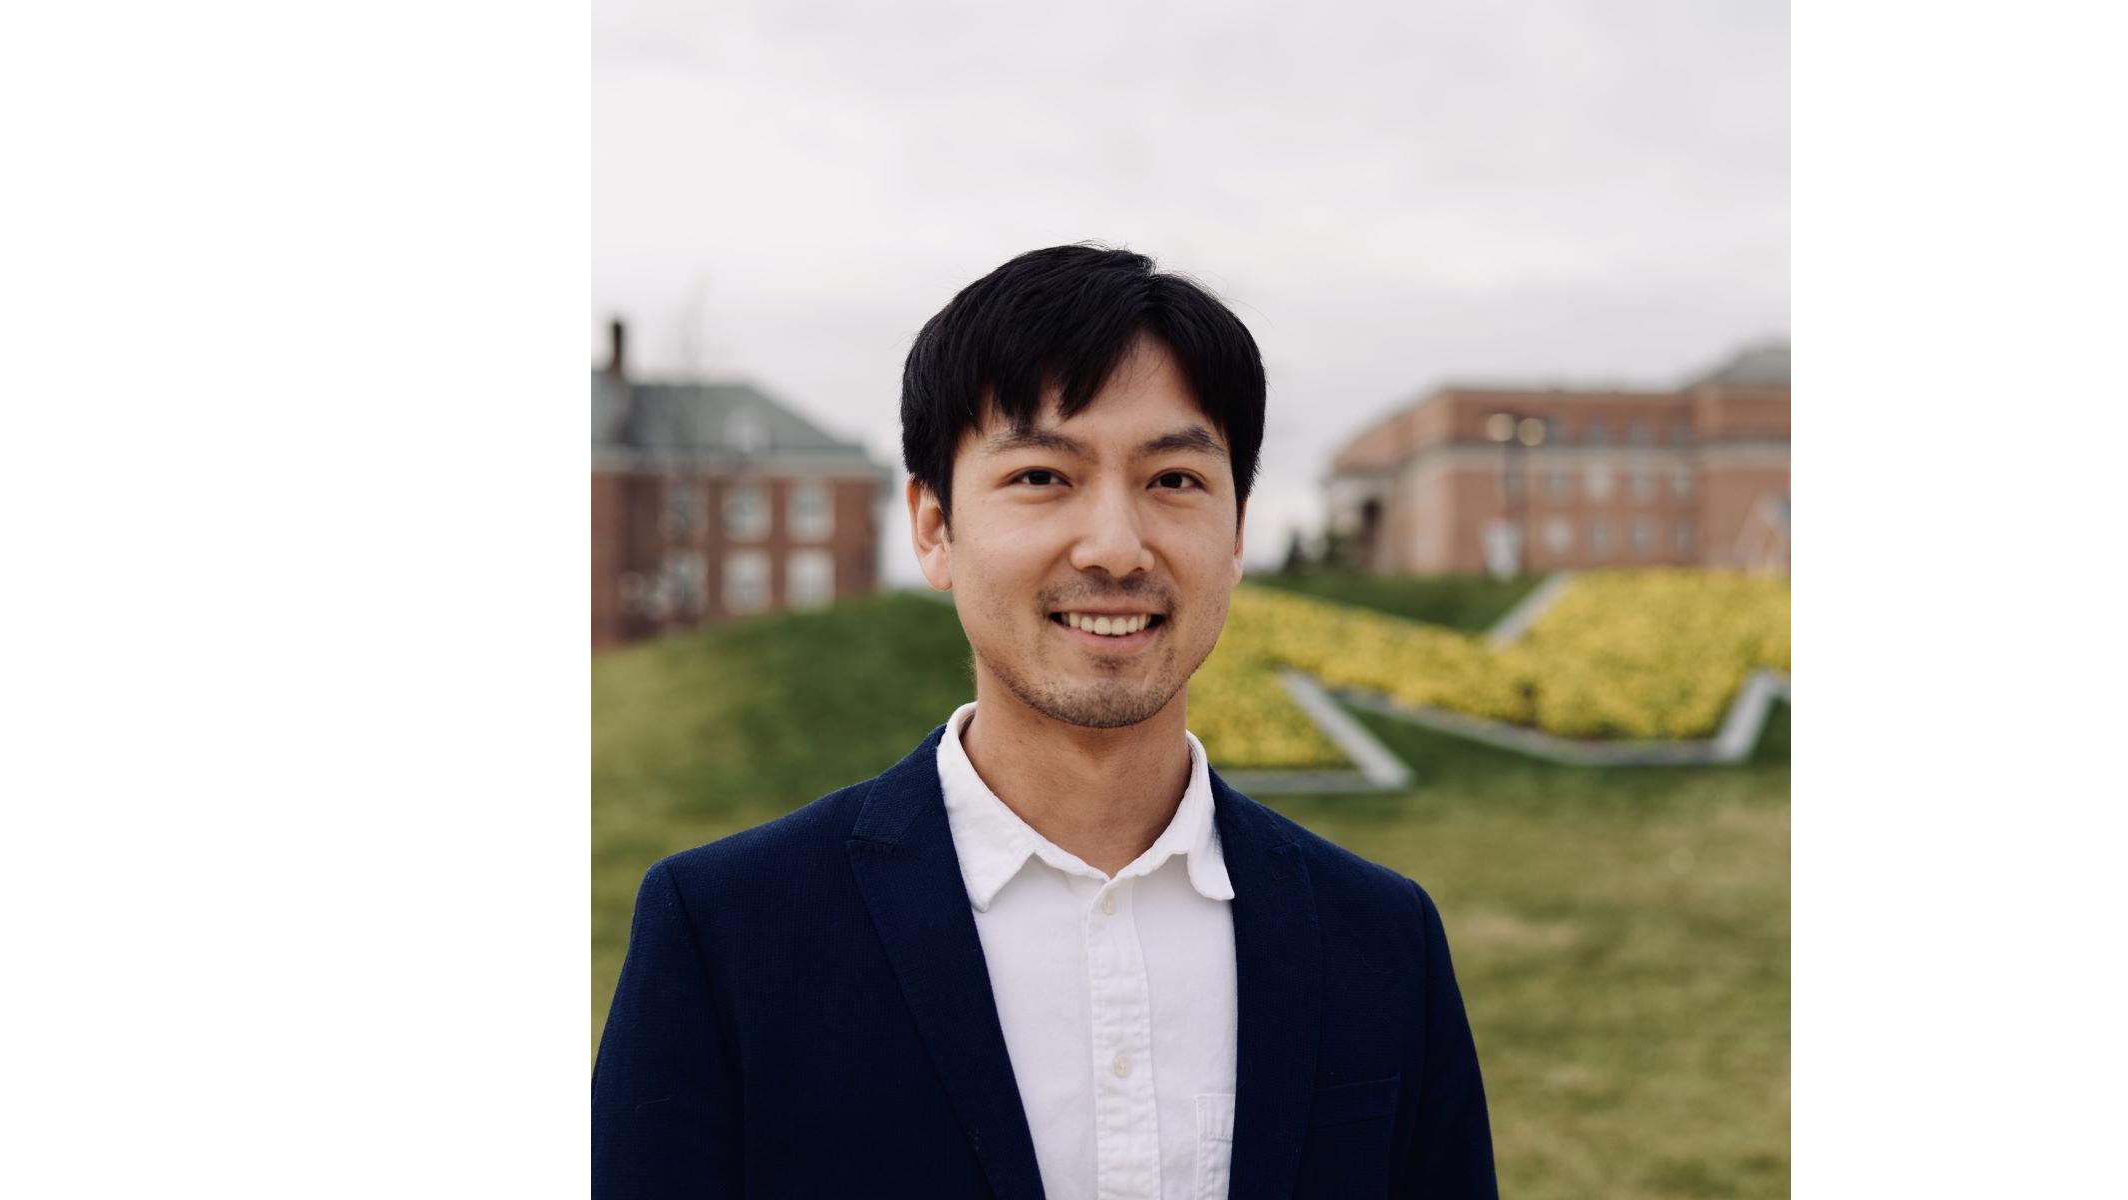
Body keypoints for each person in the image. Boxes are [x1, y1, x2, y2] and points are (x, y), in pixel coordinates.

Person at [592, 244, 1498, 1198]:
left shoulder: (1384, 941)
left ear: (1236, 536)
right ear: (935, 527)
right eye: (1041, 476)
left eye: (1175, 481)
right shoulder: (727, 935)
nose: (1115, 546)